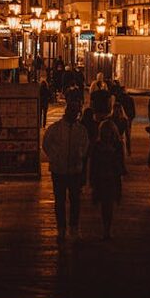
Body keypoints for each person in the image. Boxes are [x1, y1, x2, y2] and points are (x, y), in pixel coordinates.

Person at [42, 100, 89, 241]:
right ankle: (62, 228)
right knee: (61, 201)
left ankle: (72, 227)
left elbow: (85, 146)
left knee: (74, 200)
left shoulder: (80, 130)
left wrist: (79, 157)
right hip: (59, 170)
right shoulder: (56, 129)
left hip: (73, 170)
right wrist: (55, 157)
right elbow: (46, 144)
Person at [89, 119, 125, 239]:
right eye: (105, 131)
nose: (107, 134)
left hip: (112, 178)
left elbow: (121, 163)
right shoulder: (98, 146)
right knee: (105, 205)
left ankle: (107, 229)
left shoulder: (116, 145)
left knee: (108, 205)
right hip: (102, 178)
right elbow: (93, 164)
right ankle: (106, 228)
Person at [117, 86, 136, 153]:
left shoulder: (118, 98)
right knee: (128, 134)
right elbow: (133, 108)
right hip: (128, 117)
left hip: (120, 117)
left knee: (120, 133)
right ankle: (128, 149)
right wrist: (132, 116)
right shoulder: (130, 99)